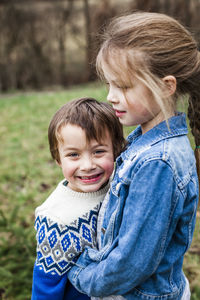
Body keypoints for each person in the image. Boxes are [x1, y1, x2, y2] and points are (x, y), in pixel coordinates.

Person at [67, 12, 200, 300]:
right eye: (109, 85)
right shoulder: (144, 143)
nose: (112, 96)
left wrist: (79, 274)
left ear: (166, 86)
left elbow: (132, 263)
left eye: (124, 86)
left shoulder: (158, 163)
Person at [31, 97, 126, 300]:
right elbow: (46, 285)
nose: (87, 165)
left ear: (116, 149)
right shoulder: (56, 219)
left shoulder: (120, 186)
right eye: (73, 155)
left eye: (98, 151)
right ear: (58, 158)